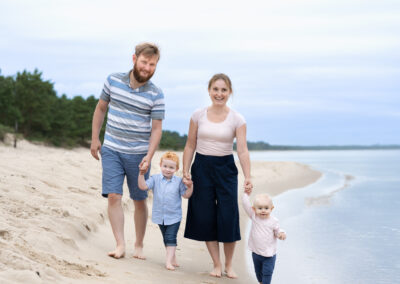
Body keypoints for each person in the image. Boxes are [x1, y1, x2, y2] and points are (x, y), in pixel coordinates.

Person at [90, 42, 164, 259]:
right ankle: (120, 244)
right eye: (144, 62)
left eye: (152, 64)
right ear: (134, 59)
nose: (147, 67)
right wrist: (95, 138)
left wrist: (149, 157)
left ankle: (139, 244)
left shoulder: (156, 94)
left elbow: (157, 129)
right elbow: (101, 108)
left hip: (139, 154)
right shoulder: (113, 80)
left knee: (139, 199)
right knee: (113, 196)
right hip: (111, 149)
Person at [182, 73, 253, 279]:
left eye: (223, 90)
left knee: (228, 217)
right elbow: (190, 144)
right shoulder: (198, 115)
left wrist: (248, 176)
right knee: (205, 216)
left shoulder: (237, 119)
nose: (219, 94)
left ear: (229, 92)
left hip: (226, 169)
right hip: (201, 167)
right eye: (216, 89)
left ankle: (229, 265)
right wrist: (185, 170)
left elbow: (242, 150)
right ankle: (216, 263)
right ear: (209, 91)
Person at [138, 151, 193, 270]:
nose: (168, 169)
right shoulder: (155, 179)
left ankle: (168, 262)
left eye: (171, 167)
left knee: (170, 237)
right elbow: (143, 187)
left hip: (174, 216)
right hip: (160, 216)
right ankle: (172, 257)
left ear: (177, 168)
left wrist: (190, 186)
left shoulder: (178, 182)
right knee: (166, 238)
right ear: (160, 165)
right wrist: (141, 174)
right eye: (165, 166)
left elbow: (186, 195)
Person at [242, 191, 286, 284]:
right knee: (258, 274)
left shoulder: (273, 221)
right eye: (260, 208)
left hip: (269, 255)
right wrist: (246, 194)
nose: (263, 210)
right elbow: (246, 205)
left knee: (267, 273)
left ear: (271, 208)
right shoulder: (254, 216)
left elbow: (277, 230)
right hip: (256, 253)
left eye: (266, 208)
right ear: (254, 209)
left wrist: (281, 234)